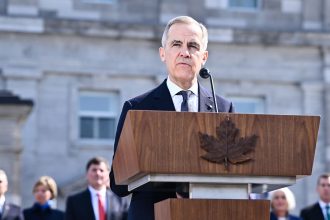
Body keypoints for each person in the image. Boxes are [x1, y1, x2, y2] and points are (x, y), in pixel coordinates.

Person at [109, 15, 234, 220]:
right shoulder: (138, 108)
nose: (185, 52)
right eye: (176, 44)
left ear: (204, 57)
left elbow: (234, 172)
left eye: (193, 45)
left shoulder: (223, 108)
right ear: (163, 53)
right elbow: (118, 183)